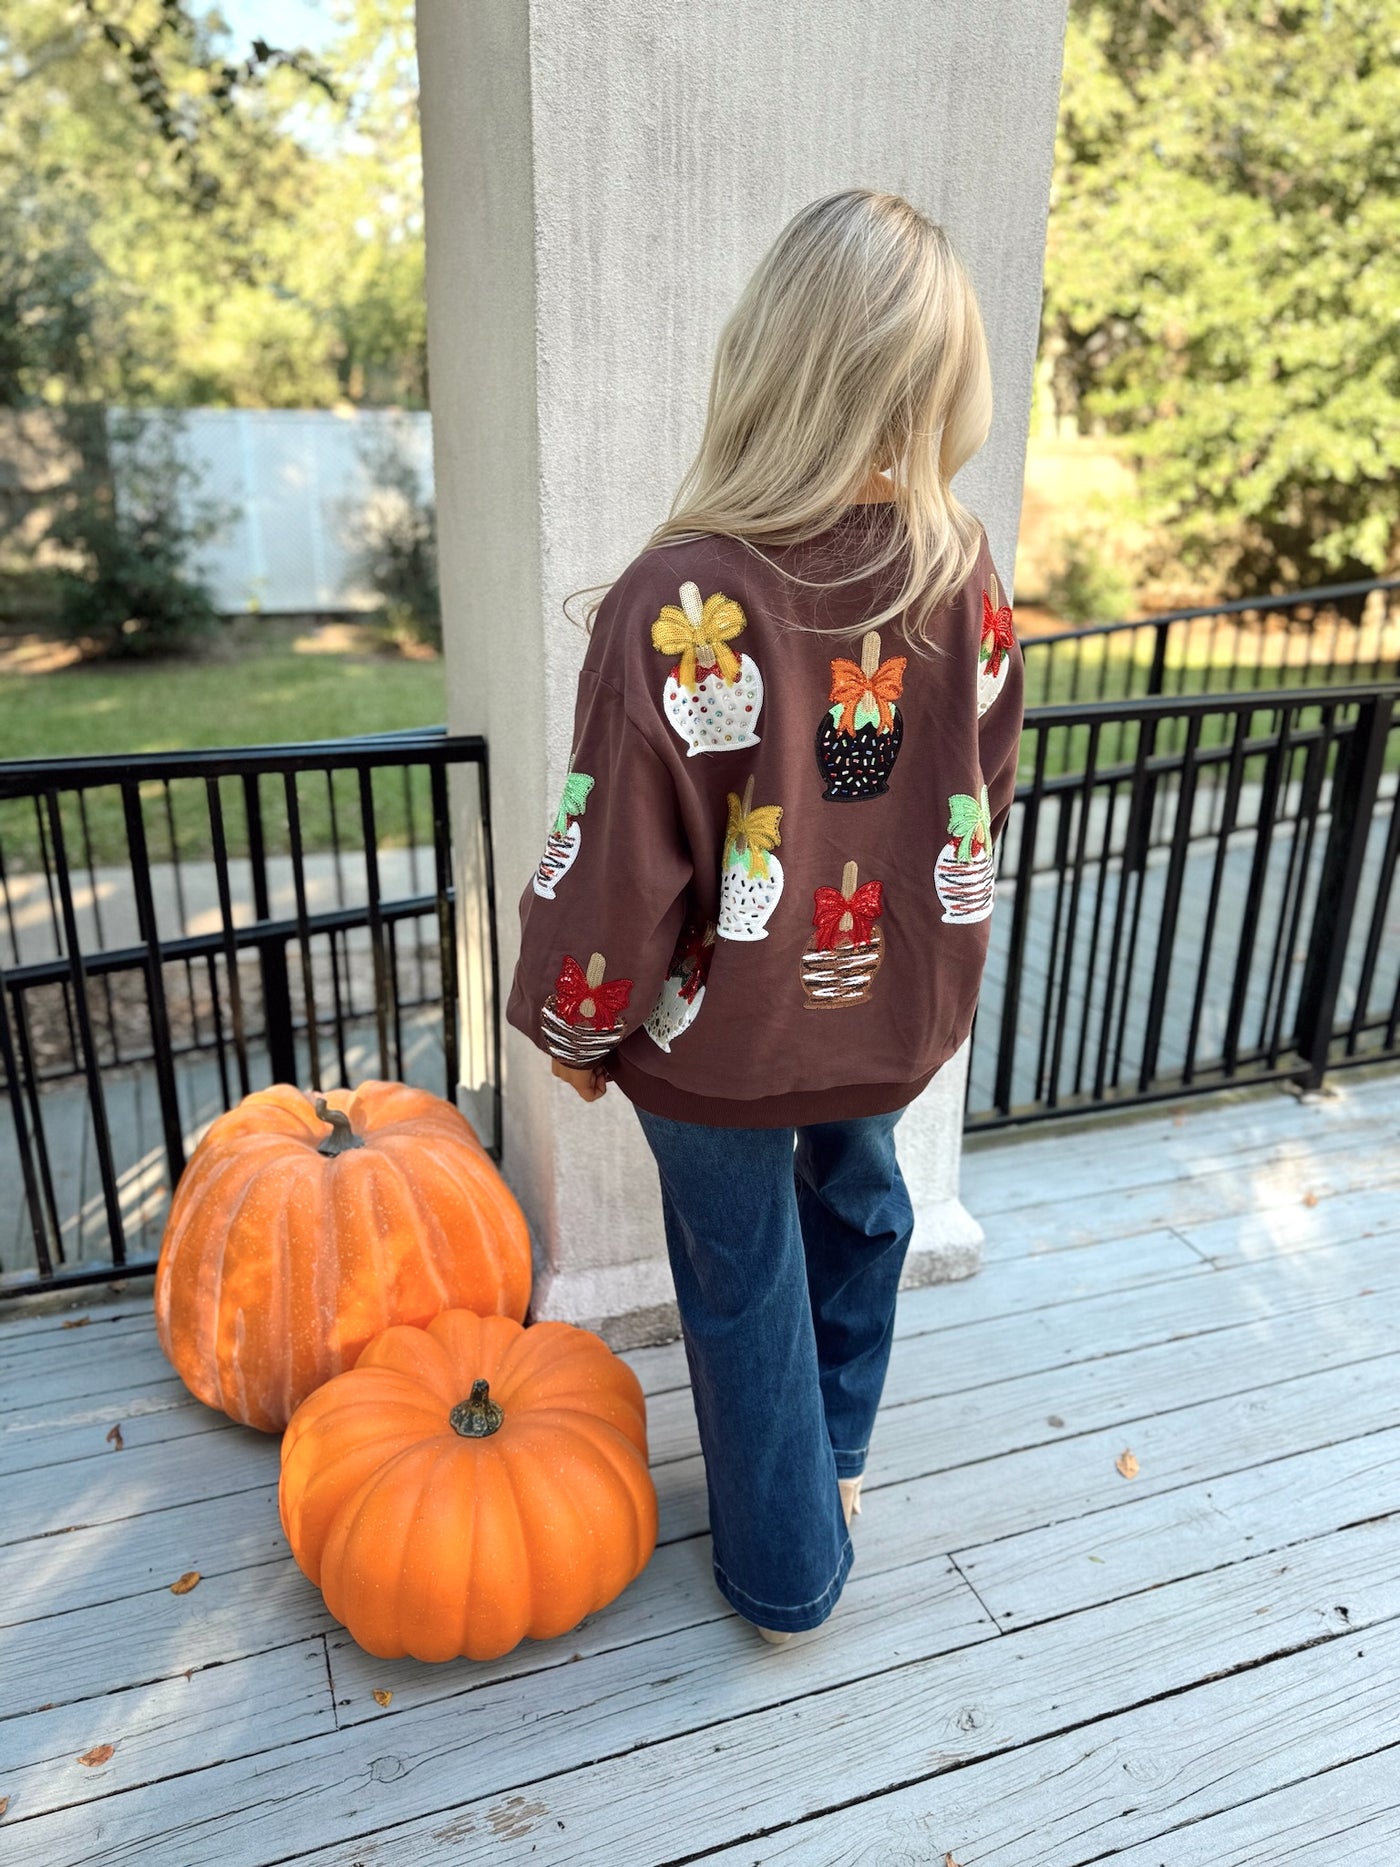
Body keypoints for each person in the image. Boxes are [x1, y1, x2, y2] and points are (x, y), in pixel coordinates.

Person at [505, 187, 1025, 1644]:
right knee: (861, 1201)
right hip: (881, 1009)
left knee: (741, 1277)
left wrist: (580, 1023)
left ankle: (787, 1571)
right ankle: (836, 1467)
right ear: (935, 382)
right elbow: (973, 796)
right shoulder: (957, 570)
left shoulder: (683, 594)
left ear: (770, 359)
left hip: (715, 1034)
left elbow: (616, 850)